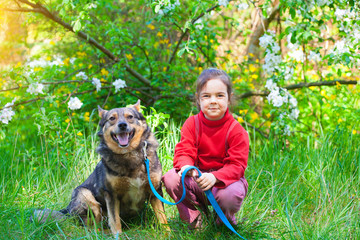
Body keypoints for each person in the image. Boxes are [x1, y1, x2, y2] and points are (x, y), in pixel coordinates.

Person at [162, 68, 249, 229]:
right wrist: (187, 166)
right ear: (198, 99)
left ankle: (223, 223)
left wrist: (215, 177)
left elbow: (237, 166)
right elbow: (184, 151)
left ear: (229, 99)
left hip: (225, 184)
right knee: (171, 178)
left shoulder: (237, 131)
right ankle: (195, 218)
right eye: (207, 96)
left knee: (230, 194)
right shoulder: (192, 124)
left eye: (220, 95)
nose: (213, 101)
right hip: (197, 179)